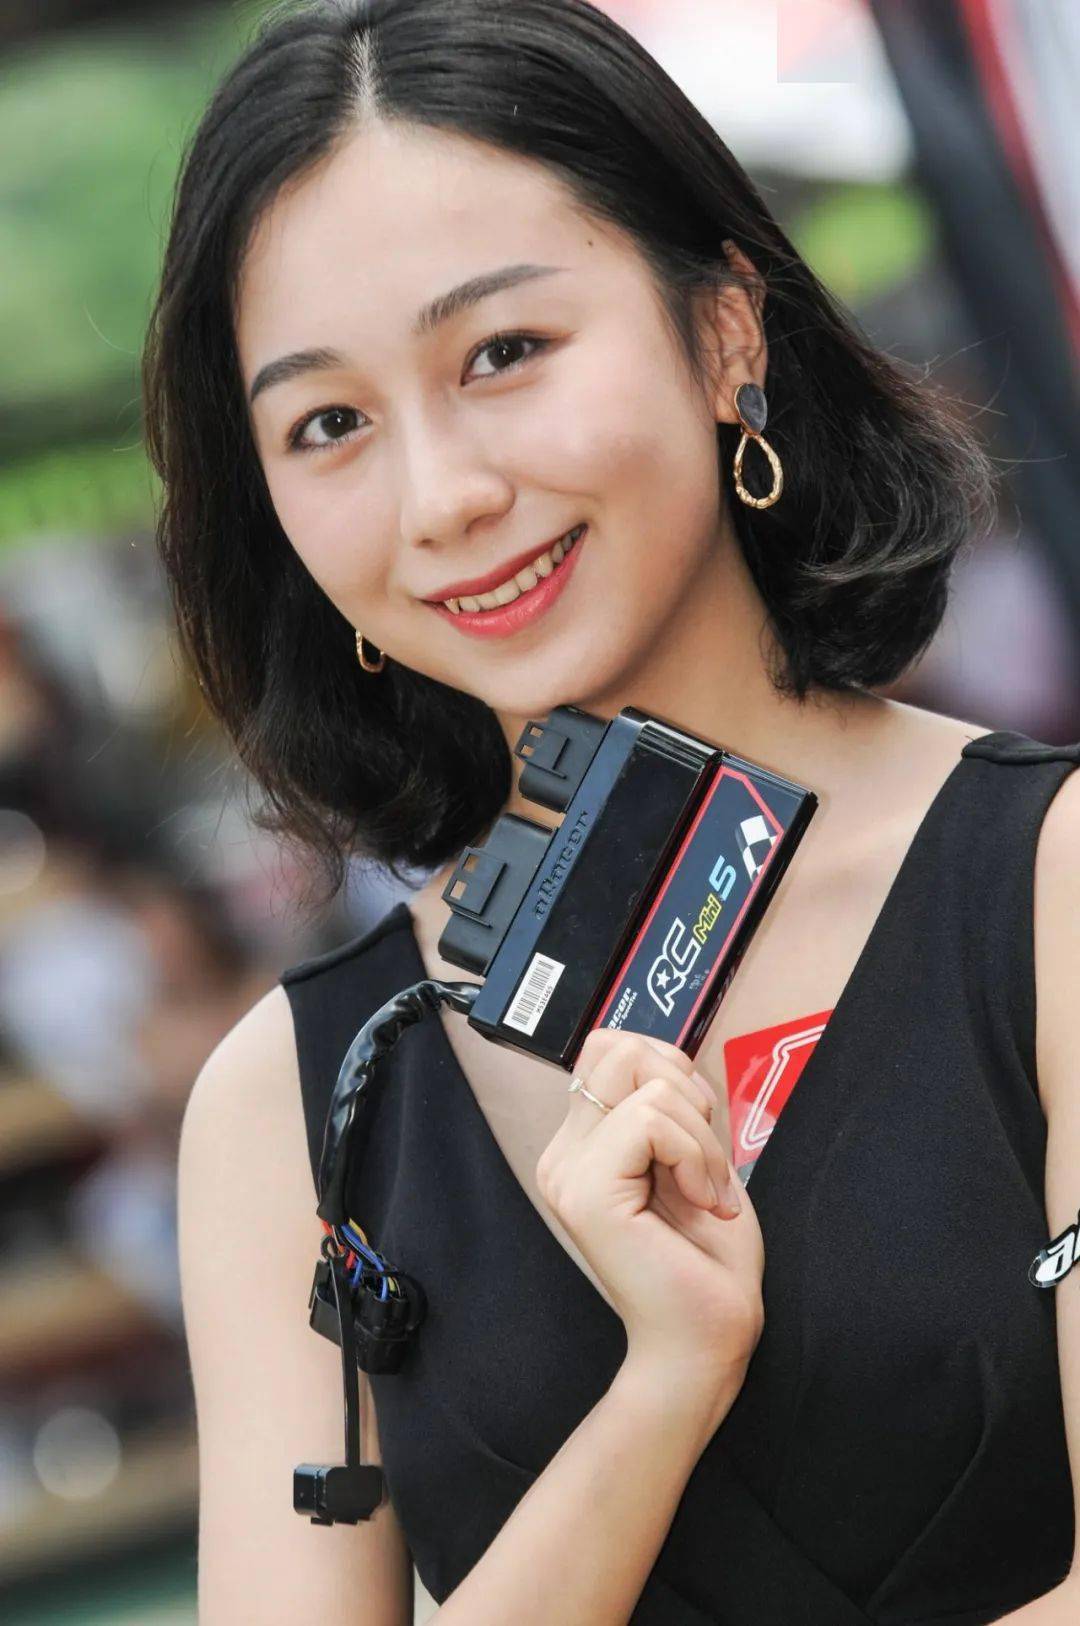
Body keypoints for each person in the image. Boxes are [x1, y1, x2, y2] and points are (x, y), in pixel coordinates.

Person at [143, 2, 1080, 1621]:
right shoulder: (291, 1111)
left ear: (725, 332)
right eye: (329, 423)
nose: (444, 496)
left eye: (503, 351)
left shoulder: (1054, 893)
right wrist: (662, 1382)